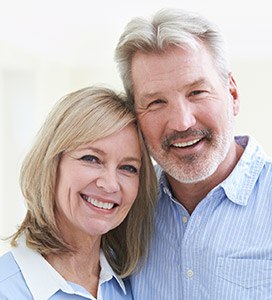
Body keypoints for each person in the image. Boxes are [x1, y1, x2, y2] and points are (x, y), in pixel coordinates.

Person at [115, 8, 272, 299]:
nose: (182, 122)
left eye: (197, 93)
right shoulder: (127, 209)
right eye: (156, 102)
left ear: (232, 94)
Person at [0, 86, 157, 299]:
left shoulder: (133, 284)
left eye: (128, 168)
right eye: (91, 159)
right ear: (52, 164)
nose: (110, 184)